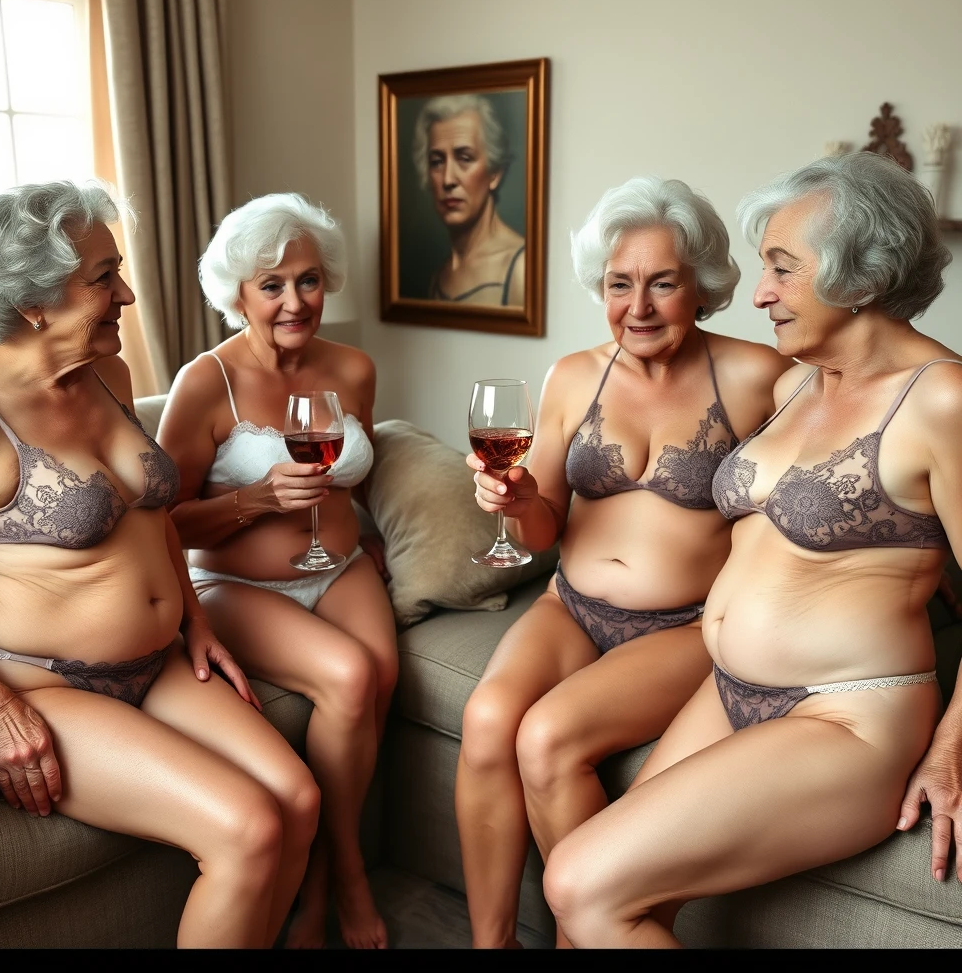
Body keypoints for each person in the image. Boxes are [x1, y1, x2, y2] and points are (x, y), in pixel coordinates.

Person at [541, 151, 962, 947]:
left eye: (782, 268)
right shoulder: (797, 382)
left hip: (848, 719)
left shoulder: (942, 397)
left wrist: (951, 750)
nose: (759, 292)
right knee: (594, 912)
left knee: (577, 882)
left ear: (861, 275)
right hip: (728, 691)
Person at [0, 180, 321, 948]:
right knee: (247, 828)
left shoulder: (107, 375)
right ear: (34, 303)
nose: (128, 293)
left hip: (165, 661)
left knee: (299, 797)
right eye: (102, 276)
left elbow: (149, 519)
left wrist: (197, 618)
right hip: (46, 680)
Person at [456, 176, 793, 948]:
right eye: (619, 284)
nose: (637, 306)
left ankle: (585, 937)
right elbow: (544, 527)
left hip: (682, 625)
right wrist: (513, 502)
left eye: (662, 283)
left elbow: (834, 473)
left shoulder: (755, 377)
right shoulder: (574, 375)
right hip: (569, 604)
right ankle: (491, 944)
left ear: (702, 286)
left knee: (547, 735)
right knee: (485, 719)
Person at [157, 192, 397, 950]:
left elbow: (355, 478)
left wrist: (374, 546)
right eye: (273, 285)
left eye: (310, 280)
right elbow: (160, 519)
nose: (296, 301)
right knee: (351, 676)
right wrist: (257, 499)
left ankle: (323, 878)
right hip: (236, 584)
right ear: (237, 294)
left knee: (384, 678)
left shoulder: (354, 367)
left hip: (341, 563)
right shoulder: (206, 383)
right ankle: (348, 875)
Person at [412, 94, 525, 306]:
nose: (447, 179)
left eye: (465, 158)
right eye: (437, 162)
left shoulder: (520, 268)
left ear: (495, 172)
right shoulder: (439, 275)